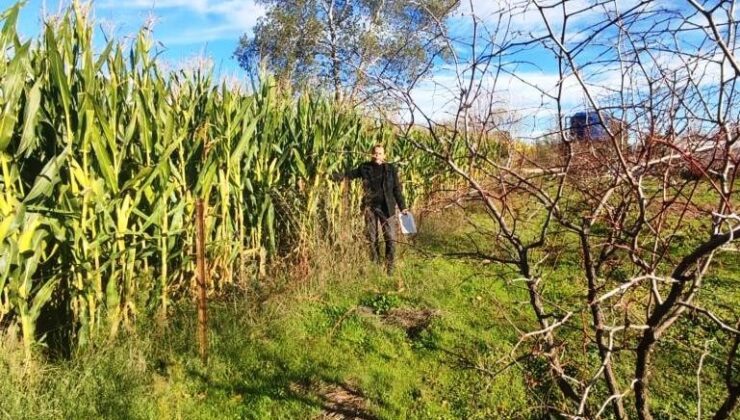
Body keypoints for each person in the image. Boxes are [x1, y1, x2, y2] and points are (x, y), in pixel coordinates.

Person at [332, 144, 408, 275]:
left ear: (384, 155)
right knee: (372, 238)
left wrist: (403, 207)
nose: (377, 155)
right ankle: (376, 263)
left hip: (387, 208)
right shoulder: (365, 167)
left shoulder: (390, 169)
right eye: (375, 153)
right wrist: (333, 176)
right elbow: (350, 174)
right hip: (370, 207)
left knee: (390, 237)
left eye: (380, 153)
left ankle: (389, 266)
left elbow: (396, 190)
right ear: (371, 154)